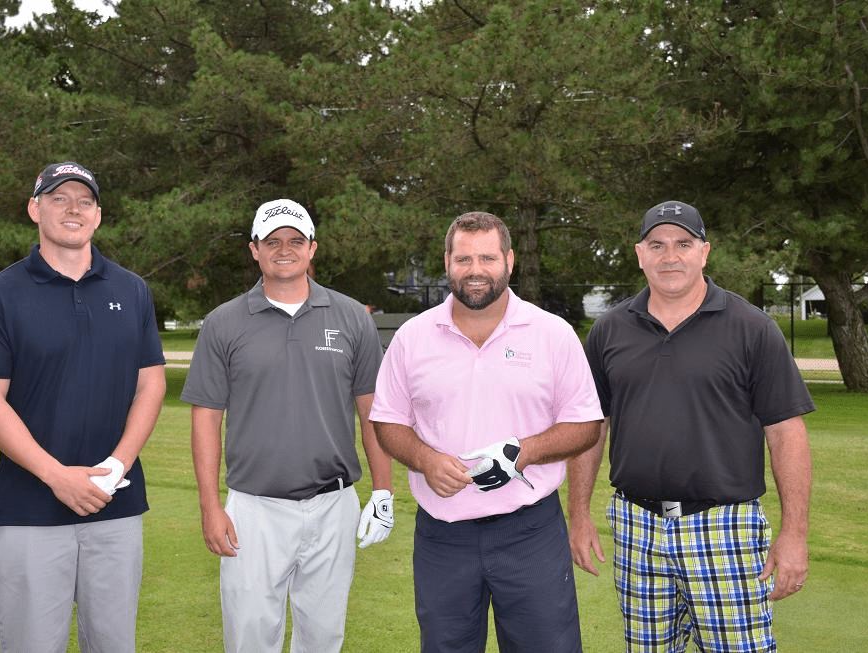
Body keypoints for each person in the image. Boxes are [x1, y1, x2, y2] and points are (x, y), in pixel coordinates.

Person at [568, 200, 815, 652]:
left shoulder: (753, 328)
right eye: (656, 245)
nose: (670, 256)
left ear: (705, 252)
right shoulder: (609, 330)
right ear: (639, 254)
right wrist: (578, 514)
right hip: (636, 524)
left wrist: (794, 534)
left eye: (684, 243)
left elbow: (787, 434)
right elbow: (591, 428)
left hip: (725, 526)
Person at [369, 211, 603, 653]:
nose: (475, 270)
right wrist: (425, 460)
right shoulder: (413, 337)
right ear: (447, 262)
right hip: (443, 534)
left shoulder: (552, 333)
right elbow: (387, 420)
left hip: (530, 531)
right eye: (464, 259)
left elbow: (586, 424)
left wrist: (525, 451)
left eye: (487, 258)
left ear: (509, 260)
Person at [0, 161, 167, 652]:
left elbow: (151, 386)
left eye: (84, 201)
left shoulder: (131, 290)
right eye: (59, 198)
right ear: (35, 209)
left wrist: (116, 466)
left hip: (115, 504)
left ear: (98, 215)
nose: (73, 209)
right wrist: (58, 476)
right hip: (29, 507)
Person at [180, 198, 394, 653]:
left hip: (332, 504)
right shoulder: (223, 323)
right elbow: (206, 421)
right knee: (250, 635)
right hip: (254, 508)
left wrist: (383, 490)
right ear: (254, 250)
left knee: (323, 636)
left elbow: (373, 411)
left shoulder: (352, 316)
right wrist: (209, 506)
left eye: (295, 241)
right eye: (272, 241)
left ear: (312, 248)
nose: (284, 249)